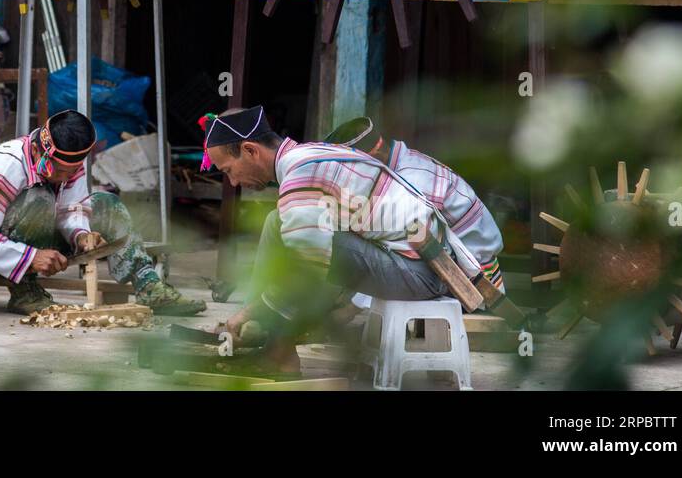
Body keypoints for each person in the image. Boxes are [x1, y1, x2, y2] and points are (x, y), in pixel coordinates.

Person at [203, 106, 498, 372]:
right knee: (278, 222)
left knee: (312, 256)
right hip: (414, 265)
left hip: (426, 274)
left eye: (228, 170)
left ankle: (277, 352)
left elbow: (309, 266)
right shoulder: (308, 155)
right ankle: (266, 340)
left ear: (251, 151)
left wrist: (252, 311)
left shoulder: (300, 172)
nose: (233, 182)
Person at [0, 109, 204, 316]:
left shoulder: (70, 164)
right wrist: (31, 258)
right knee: (40, 196)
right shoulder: (3, 166)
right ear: (41, 152)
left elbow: (72, 207)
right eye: (60, 171)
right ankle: (25, 292)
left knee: (107, 202)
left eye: (71, 172)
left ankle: (149, 285)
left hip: (37, 241)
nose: (66, 177)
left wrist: (82, 235)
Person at [323, 116, 504, 293]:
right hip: (442, 260)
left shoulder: (411, 178)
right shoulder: (398, 166)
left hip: (466, 275)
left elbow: (410, 243)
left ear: (374, 156)